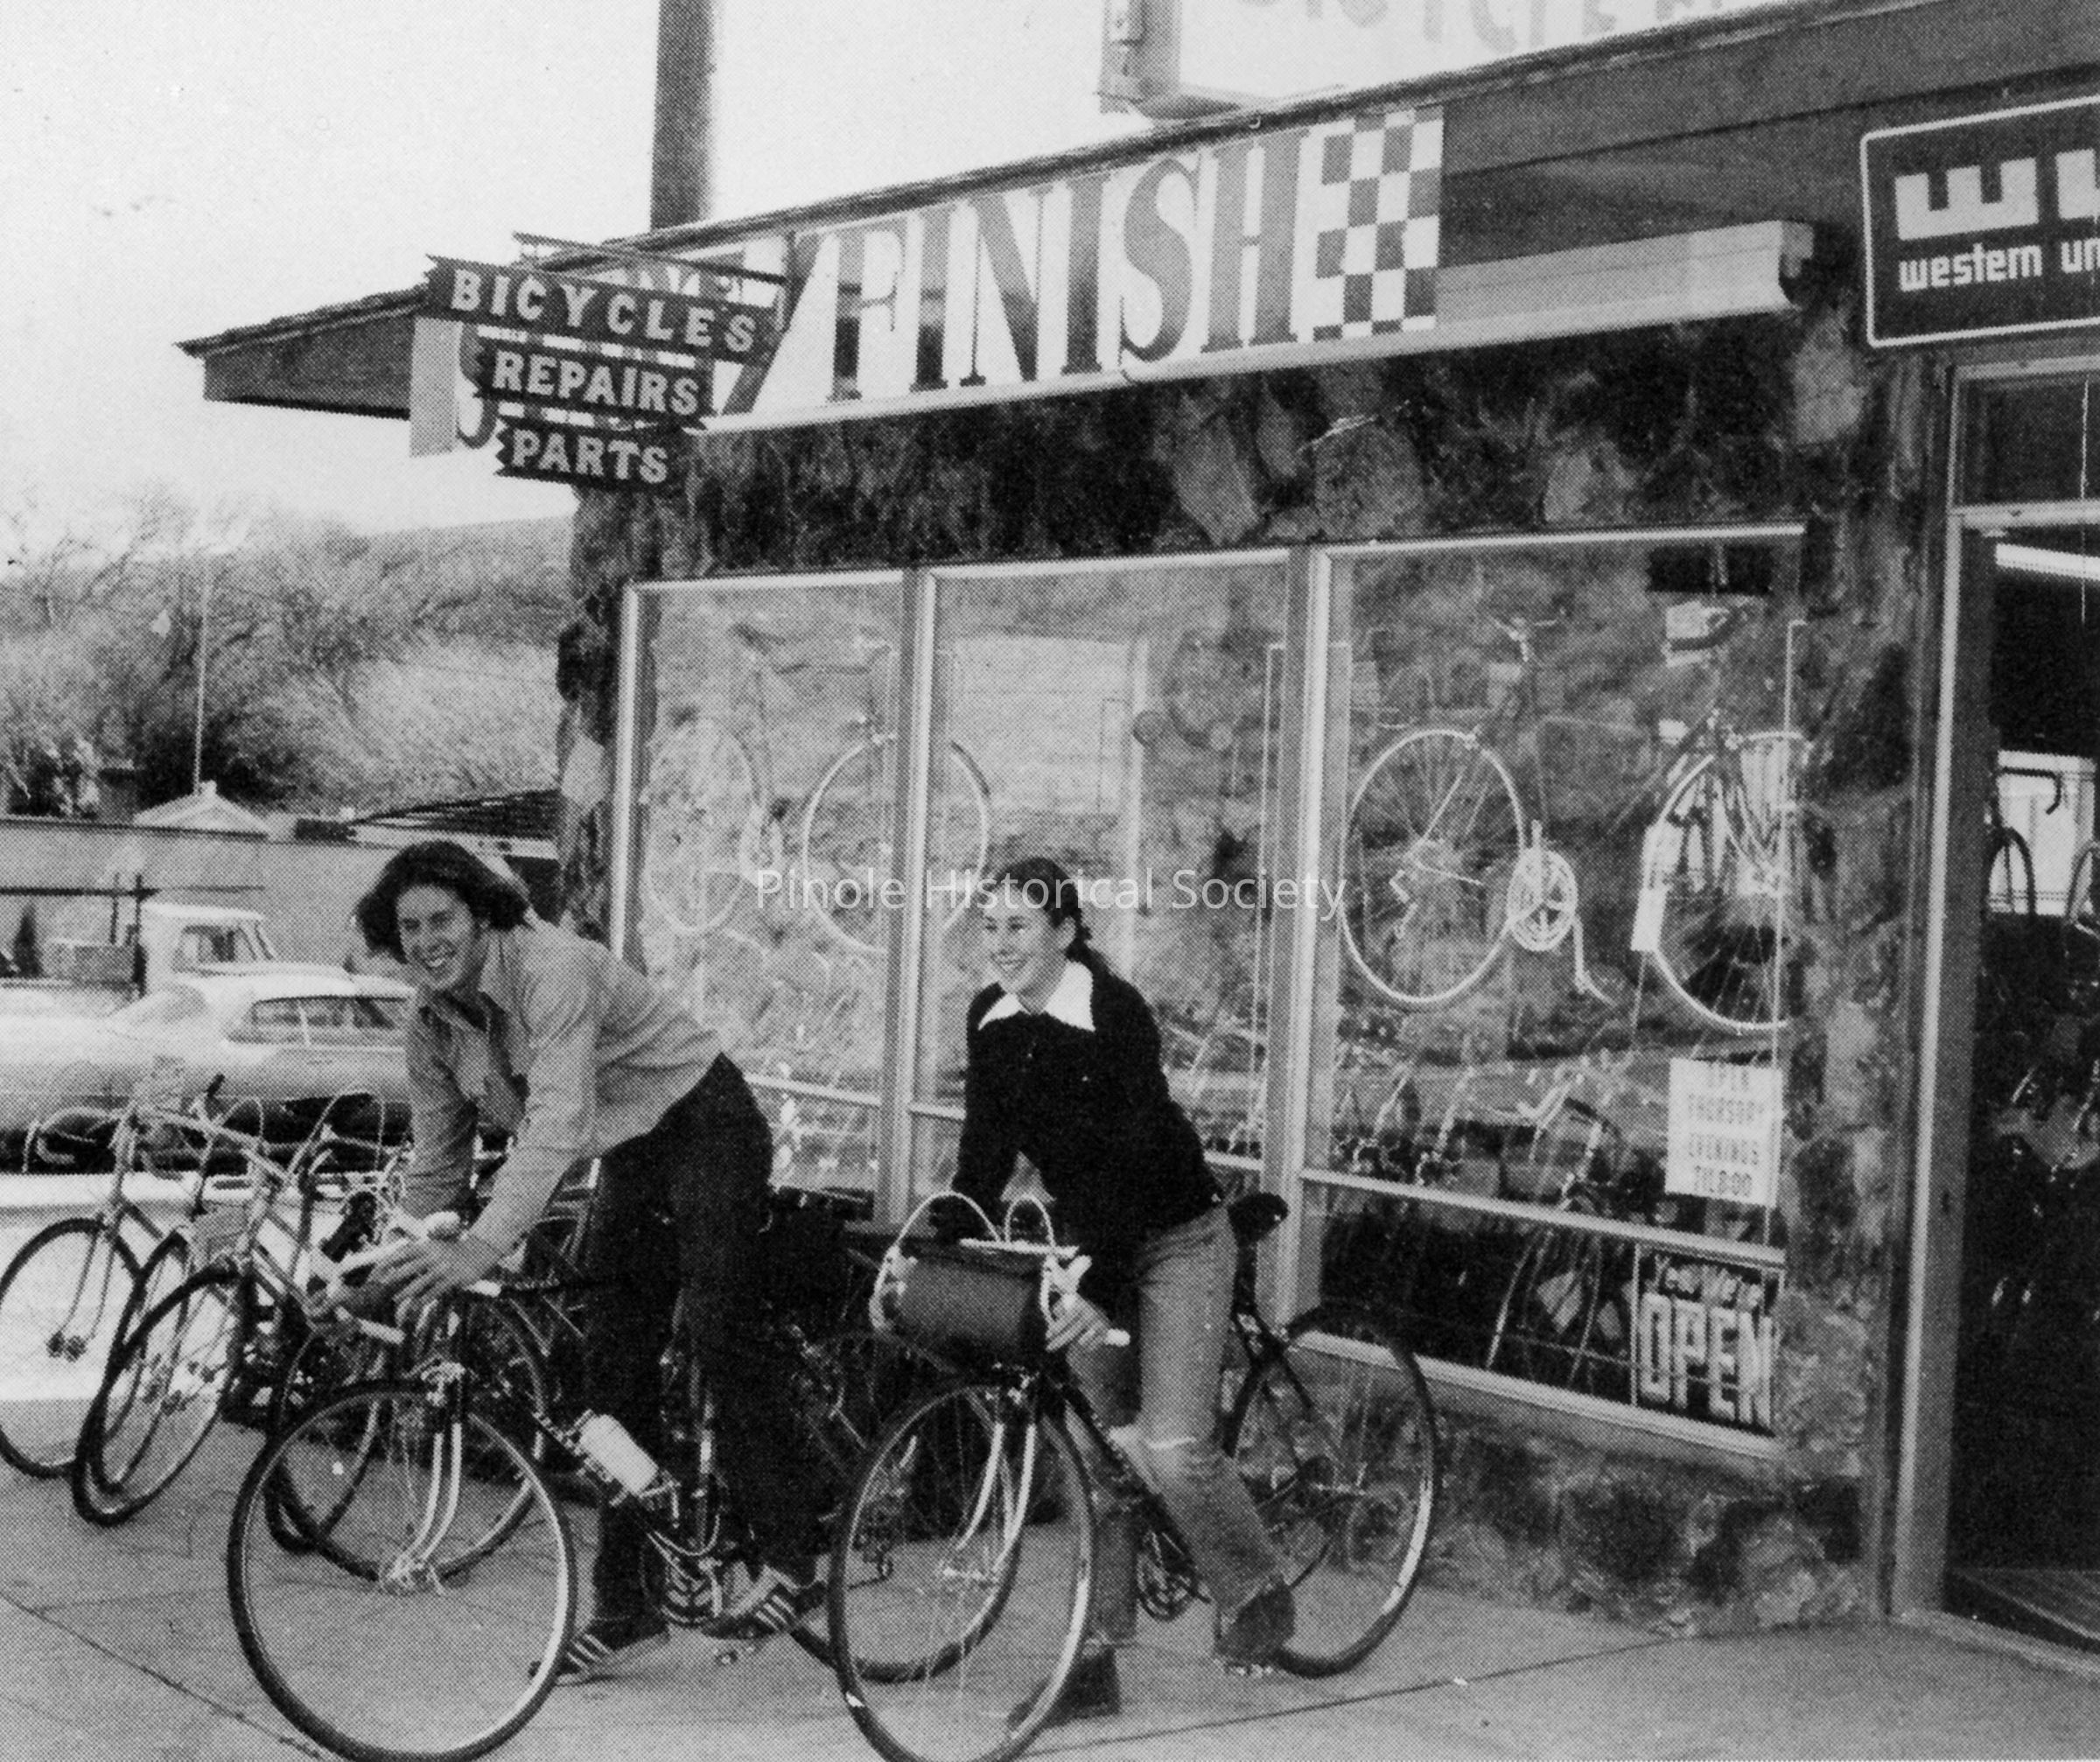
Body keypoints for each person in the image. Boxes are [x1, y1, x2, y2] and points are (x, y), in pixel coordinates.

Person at [355, 840, 825, 1682]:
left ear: (482, 915)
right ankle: (628, 1604)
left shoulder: (554, 969)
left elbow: (559, 1123)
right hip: (632, 1150)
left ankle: (793, 1559)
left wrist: (482, 1247)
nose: (426, 941)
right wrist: (372, 1280)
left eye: (441, 920)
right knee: (609, 1362)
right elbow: (436, 1166)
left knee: (718, 1325)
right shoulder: (429, 1021)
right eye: (409, 928)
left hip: (704, 1121)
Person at [948, 857, 1294, 1724]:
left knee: (1172, 1446)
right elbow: (984, 1154)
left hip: (1176, 1241)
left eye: (1019, 926)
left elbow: (1135, 1157)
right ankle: (1096, 1662)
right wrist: (936, 1248)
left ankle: (1256, 1592)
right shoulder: (990, 1018)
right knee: (1101, 1455)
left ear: (1065, 931)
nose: (1001, 944)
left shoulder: (1113, 1010)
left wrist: (1097, 1281)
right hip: (1094, 1243)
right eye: (989, 927)